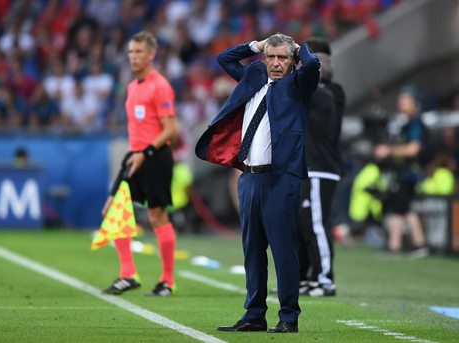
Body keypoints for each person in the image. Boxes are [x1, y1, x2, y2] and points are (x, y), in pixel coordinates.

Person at [196, 33, 320, 333]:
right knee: (252, 251)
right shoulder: (253, 75)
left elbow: (313, 63)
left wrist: (297, 45)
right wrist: (257, 45)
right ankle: (254, 315)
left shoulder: (299, 84)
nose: (275, 63)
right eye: (271, 57)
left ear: (292, 61)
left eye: (282, 58)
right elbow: (224, 58)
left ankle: (289, 317)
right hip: (249, 178)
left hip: (281, 179)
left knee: (283, 251)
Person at [101, 31, 178, 296]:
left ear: (151, 54)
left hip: (155, 157)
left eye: (138, 52)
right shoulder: (132, 87)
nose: (133, 57)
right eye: (131, 52)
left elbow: (170, 130)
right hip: (135, 155)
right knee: (114, 210)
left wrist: (145, 152)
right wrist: (139, 152)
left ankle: (167, 281)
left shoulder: (161, 85)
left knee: (157, 217)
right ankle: (128, 274)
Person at [295, 52, 344, 298]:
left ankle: (325, 279)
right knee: (307, 223)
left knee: (316, 224)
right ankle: (313, 277)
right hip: (312, 168)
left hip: (319, 169)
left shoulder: (322, 95)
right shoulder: (315, 95)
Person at [374, 87, 429, 258]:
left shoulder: (415, 124)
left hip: (407, 173)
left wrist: (388, 150)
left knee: (396, 209)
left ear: (415, 103)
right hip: (405, 173)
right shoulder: (405, 123)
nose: (401, 103)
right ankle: (419, 245)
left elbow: (413, 149)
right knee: (406, 209)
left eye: (405, 100)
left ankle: (394, 246)